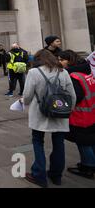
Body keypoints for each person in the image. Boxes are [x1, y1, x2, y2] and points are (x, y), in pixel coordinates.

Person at [22, 49, 76, 188]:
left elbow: (27, 96)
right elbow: (72, 95)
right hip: (60, 112)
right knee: (59, 144)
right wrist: (68, 110)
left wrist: (23, 102)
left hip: (40, 112)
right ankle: (56, 175)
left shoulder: (34, 72)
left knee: (37, 142)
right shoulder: (63, 72)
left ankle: (38, 175)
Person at [58, 50, 95, 179]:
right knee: (90, 140)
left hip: (81, 113)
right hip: (91, 111)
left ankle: (88, 166)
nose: (59, 62)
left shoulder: (73, 76)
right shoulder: (86, 72)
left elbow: (76, 97)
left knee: (83, 142)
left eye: (61, 60)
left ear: (69, 60)